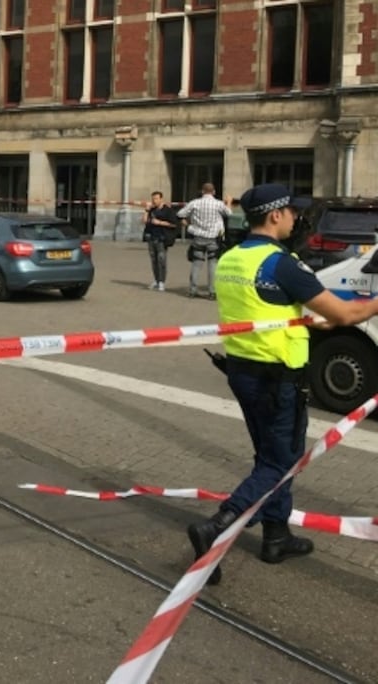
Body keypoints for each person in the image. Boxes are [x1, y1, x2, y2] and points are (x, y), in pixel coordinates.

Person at [188, 183, 378, 585]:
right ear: (275, 215)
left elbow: (269, 309)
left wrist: (308, 319)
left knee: (271, 456)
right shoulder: (282, 263)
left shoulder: (232, 258)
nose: (296, 218)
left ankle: (276, 536)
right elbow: (346, 314)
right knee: (278, 463)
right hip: (279, 378)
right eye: (292, 211)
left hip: (243, 371)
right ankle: (218, 527)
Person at [177, 183, 233, 300]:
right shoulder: (218, 204)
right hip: (213, 238)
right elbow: (229, 214)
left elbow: (180, 214)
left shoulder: (194, 203)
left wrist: (186, 223)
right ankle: (212, 292)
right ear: (214, 192)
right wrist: (228, 202)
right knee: (212, 265)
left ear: (202, 191)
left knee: (196, 264)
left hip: (197, 237)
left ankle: (193, 290)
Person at [142, 191, 179, 291]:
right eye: (153, 199)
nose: (154, 201)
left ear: (161, 199)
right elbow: (144, 221)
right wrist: (146, 210)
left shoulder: (168, 211)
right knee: (154, 261)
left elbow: (173, 224)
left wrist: (160, 222)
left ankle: (162, 281)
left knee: (161, 260)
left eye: (156, 199)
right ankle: (156, 280)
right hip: (151, 238)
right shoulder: (152, 210)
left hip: (162, 239)